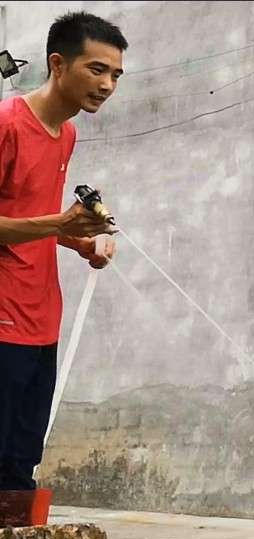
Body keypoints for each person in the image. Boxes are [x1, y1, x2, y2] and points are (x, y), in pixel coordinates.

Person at [0, 12, 126, 492]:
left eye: (115, 74)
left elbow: (28, 215)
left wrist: (80, 241)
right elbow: (42, 218)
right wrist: (61, 222)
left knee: (20, 465)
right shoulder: (8, 124)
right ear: (58, 63)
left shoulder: (66, 133)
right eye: (96, 69)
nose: (108, 84)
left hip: (41, 318)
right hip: (3, 319)